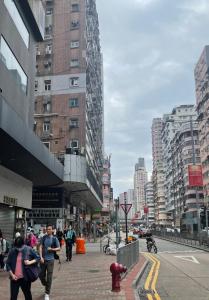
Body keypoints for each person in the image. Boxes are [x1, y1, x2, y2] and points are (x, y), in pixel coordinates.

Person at [6, 236, 40, 300]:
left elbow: (38, 258)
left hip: (25, 278)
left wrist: (30, 262)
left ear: (23, 244)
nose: (18, 249)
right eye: (17, 247)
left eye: (20, 247)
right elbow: (8, 263)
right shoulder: (12, 251)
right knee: (13, 297)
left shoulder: (28, 249)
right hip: (14, 279)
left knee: (28, 296)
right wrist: (12, 275)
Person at [39, 225, 60, 300]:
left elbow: (59, 248)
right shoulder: (43, 237)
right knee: (41, 275)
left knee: (49, 277)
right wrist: (41, 257)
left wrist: (52, 249)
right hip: (43, 260)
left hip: (51, 260)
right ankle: (46, 284)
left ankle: (47, 293)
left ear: (52, 230)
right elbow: (40, 247)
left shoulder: (54, 238)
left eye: (49, 229)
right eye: (47, 229)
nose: (48, 230)